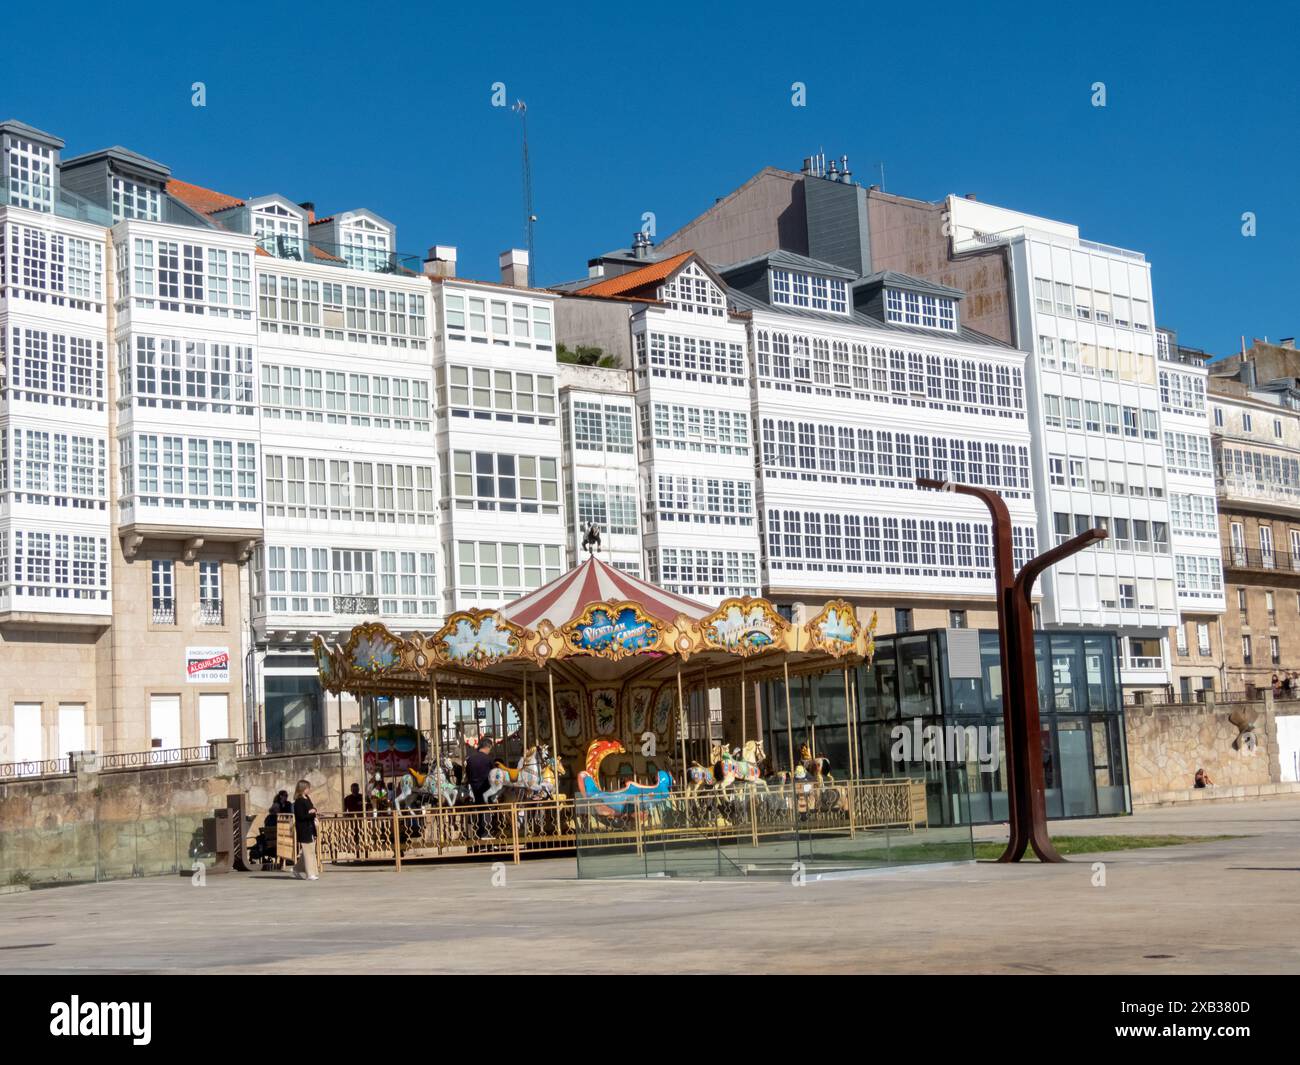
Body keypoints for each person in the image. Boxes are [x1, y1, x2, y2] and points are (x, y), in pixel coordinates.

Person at [465, 736, 496, 840]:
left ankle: (479, 832)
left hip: (474, 787)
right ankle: (486, 832)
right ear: (487, 747)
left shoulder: (470, 759)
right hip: (486, 787)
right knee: (487, 808)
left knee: (479, 808)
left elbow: (468, 774)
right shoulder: (488, 759)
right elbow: (494, 774)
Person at [292, 779, 320, 880]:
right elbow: (301, 817)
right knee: (308, 852)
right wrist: (311, 813)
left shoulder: (307, 798)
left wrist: (314, 810)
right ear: (303, 789)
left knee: (310, 851)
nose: (309, 789)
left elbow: (312, 808)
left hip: (310, 827)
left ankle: (296, 869)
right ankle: (310, 873)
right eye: (307, 788)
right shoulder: (298, 802)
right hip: (304, 829)